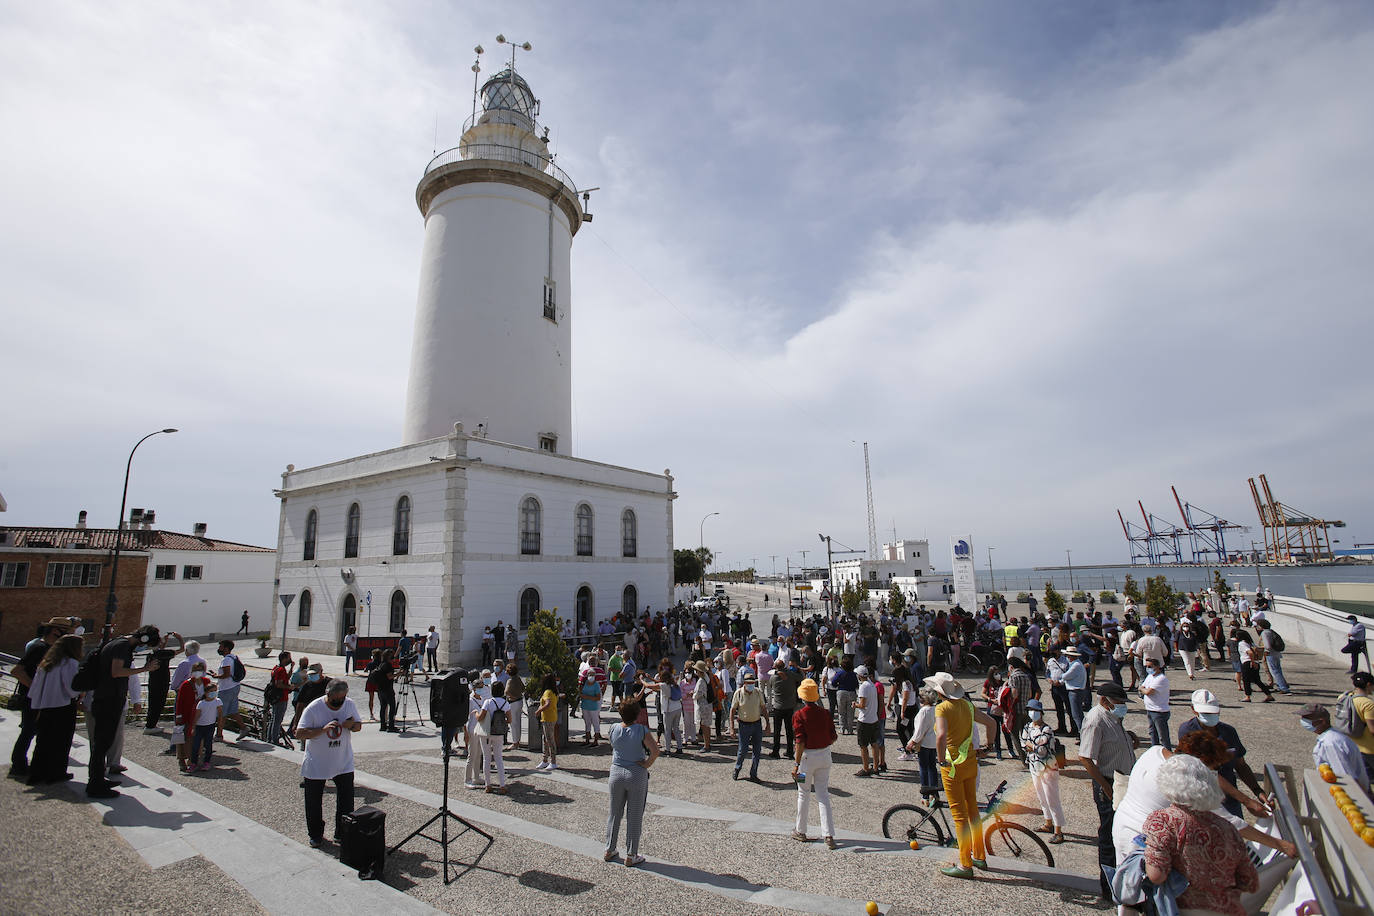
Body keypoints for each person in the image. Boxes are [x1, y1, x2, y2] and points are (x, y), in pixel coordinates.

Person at [1143, 753, 1258, 916]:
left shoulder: (1163, 821)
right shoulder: (1228, 827)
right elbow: (1250, 882)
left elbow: (1156, 875)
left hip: (1184, 908)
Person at [928, 671, 997, 880]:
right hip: (970, 762)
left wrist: (941, 760)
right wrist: (989, 746)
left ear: (939, 693)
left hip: (952, 766)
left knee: (959, 816)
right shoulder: (967, 705)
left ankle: (965, 864)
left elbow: (941, 736)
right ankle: (979, 856)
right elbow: (992, 723)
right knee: (973, 811)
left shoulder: (942, 708)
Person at [1077, 681, 1136, 900]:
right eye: (1118, 702)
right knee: (1109, 834)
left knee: (1122, 831)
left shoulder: (1113, 716)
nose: (1122, 706)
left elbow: (1111, 743)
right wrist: (1104, 786)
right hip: (1110, 782)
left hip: (1122, 779)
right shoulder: (1095, 719)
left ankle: (1123, 879)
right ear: (1104, 701)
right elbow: (1085, 757)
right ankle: (1109, 886)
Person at [87, 625, 162, 798]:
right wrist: (145, 669)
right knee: (101, 745)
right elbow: (116, 672)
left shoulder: (118, 643)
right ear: (143, 639)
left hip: (108, 699)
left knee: (103, 743)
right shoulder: (122, 647)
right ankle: (95, 785)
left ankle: (98, 780)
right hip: (108, 701)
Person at [1178, 689, 1273, 820]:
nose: (1210, 715)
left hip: (1229, 799)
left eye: (1213, 712)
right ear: (1194, 710)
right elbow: (1208, 772)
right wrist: (1246, 801)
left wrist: (1258, 791)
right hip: (1201, 799)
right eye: (1205, 712)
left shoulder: (1229, 732)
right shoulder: (1187, 731)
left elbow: (1241, 765)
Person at [297, 679, 362, 849]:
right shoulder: (314, 708)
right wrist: (323, 730)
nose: (339, 703)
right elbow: (299, 733)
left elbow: (358, 726)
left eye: (342, 699)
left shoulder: (349, 704)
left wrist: (352, 725)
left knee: (346, 800)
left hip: (343, 761)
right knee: (313, 802)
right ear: (328, 694)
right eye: (336, 700)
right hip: (317, 762)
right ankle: (315, 835)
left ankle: (343, 832)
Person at [7, 618, 68, 780]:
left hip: (39, 698)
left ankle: (27, 764)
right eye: (64, 631)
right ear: (55, 631)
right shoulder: (39, 648)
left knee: (34, 732)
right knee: (28, 731)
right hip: (33, 698)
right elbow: (17, 671)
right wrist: (36, 690)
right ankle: (18, 765)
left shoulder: (48, 647)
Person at [604, 698, 660, 867]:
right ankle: (631, 853)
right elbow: (655, 751)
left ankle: (609, 848)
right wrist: (646, 764)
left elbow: (613, 744)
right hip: (635, 772)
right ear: (637, 714)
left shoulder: (613, 728)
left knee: (614, 813)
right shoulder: (641, 730)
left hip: (616, 771)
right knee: (634, 815)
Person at [25, 634, 83, 785]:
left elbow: (36, 686)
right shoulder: (69, 663)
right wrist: (80, 693)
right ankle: (56, 773)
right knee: (61, 742)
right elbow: (71, 687)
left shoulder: (47, 663)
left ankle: (36, 773)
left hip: (44, 706)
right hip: (62, 706)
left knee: (43, 741)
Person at [791, 677, 838, 849]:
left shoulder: (799, 715)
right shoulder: (825, 713)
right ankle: (828, 834)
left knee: (803, 793)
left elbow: (800, 742)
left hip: (806, 760)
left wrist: (796, 764)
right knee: (823, 794)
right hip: (824, 756)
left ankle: (801, 830)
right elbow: (833, 737)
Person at [1020, 699, 1065, 844]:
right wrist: (1033, 746)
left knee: (1052, 799)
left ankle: (1058, 830)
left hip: (1048, 768)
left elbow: (1042, 750)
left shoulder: (1047, 729)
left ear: (1041, 713)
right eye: (1030, 710)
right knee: (1041, 797)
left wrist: (1031, 746)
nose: (1032, 713)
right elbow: (1023, 743)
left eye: (1034, 710)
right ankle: (1048, 823)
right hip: (1034, 766)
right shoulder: (1028, 726)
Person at [1299, 703, 1369, 791]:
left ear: (1322, 721)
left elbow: (1344, 776)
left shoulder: (1331, 743)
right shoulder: (1332, 735)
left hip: (1348, 793)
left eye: (1307, 719)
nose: (1303, 721)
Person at [173, 660, 211, 772]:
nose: (197, 672)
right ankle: (182, 760)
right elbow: (180, 702)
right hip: (187, 714)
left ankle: (194, 759)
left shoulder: (206, 682)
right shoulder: (186, 684)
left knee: (198, 739)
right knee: (183, 738)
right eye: (195, 670)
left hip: (201, 715)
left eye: (199, 670)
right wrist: (178, 716)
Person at [143, 629, 184, 732]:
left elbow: (161, 651)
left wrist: (163, 642)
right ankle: (151, 726)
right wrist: (180, 639)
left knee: (152, 703)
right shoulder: (165, 654)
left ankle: (150, 724)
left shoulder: (151, 655)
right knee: (159, 703)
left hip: (153, 681)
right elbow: (182, 649)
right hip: (162, 682)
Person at [476, 682, 511, 794]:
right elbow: (509, 720)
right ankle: (502, 784)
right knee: (499, 758)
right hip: (499, 733)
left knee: (487, 758)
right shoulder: (505, 703)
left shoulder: (488, 702)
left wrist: (476, 713)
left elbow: (480, 718)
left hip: (487, 732)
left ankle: (488, 785)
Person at [730, 670, 765, 780]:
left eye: (752, 683)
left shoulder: (758, 692)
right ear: (744, 683)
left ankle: (753, 773)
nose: (750, 685)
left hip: (756, 723)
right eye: (748, 683)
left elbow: (763, 708)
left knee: (757, 750)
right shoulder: (738, 693)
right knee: (743, 750)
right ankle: (737, 768)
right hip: (744, 725)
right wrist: (731, 727)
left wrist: (768, 724)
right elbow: (732, 710)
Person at [905, 687, 942, 792]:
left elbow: (920, 730)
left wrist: (912, 742)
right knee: (932, 767)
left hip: (924, 743)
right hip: (933, 742)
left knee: (923, 768)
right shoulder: (936, 709)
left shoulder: (923, 711)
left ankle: (925, 791)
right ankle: (934, 790)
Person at [214, 640, 247, 741]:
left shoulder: (226, 660)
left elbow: (226, 674)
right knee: (233, 711)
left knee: (221, 713)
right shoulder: (234, 657)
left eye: (221, 647)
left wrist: (215, 676)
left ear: (226, 648)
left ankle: (219, 735)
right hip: (235, 686)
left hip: (226, 689)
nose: (219, 649)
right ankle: (244, 728)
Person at [190, 681, 224, 772]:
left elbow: (220, 715)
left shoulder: (218, 701)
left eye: (215, 691)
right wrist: (193, 727)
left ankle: (206, 762)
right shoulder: (201, 703)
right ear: (206, 693)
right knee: (196, 746)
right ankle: (193, 763)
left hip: (210, 726)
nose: (214, 693)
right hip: (200, 726)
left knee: (208, 745)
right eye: (212, 691)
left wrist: (220, 728)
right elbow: (197, 716)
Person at [1139, 655, 1172, 749]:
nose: (1148, 669)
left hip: (1159, 711)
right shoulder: (1150, 677)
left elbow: (1148, 692)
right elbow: (1142, 687)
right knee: (1153, 733)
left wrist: (1143, 690)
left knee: (1163, 737)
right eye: (1146, 666)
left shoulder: (1161, 679)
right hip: (1150, 709)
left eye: (1150, 666)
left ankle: (1168, 753)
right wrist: (1143, 689)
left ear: (1157, 667)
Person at [853, 665, 880, 776]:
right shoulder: (872, 685)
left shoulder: (864, 687)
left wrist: (855, 705)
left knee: (863, 745)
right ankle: (876, 766)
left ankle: (866, 768)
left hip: (864, 720)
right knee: (874, 743)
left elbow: (863, 704)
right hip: (874, 718)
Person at [1348, 672, 1374, 783]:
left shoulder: (1345, 698)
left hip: (1352, 745)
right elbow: (1372, 729)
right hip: (1369, 749)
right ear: (1368, 685)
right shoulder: (1368, 704)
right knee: (1370, 781)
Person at [1236, 630, 1274, 703]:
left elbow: (1250, 652)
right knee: (1257, 680)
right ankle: (1268, 695)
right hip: (1255, 662)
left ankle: (1247, 696)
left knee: (1246, 680)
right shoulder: (1250, 643)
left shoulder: (1242, 643)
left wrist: (1252, 662)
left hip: (1247, 662)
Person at [266, 651, 293, 746]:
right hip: (281, 698)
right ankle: (275, 740)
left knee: (274, 718)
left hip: (276, 697)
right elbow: (279, 684)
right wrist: (289, 687)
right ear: (284, 659)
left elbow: (286, 678)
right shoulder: (281, 670)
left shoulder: (276, 668)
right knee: (277, 719)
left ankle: (269, 738)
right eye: (289, 658)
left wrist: (291, 668)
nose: (290, 659)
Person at [1256, 621, 1290, 694]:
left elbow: (1267, 646)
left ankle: (1283, 688)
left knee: (1274, 671)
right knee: (1278, 670)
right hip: (1276, 653)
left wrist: (1260, 647)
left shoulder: (1264, 633)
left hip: (1270, 653)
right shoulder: (1271, 631)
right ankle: (1281, 686)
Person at [535, 674, 560, 771]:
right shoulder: (554, 691)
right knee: (545, 739)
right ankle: (545, 760)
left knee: (549, 739)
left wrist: (539, 710)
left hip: (548, 718)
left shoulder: (547, 692)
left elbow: (547, 703)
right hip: (550, 717)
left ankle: (553, 761)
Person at [370, 649, 398, 732]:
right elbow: (389, 676)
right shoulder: (388, 665)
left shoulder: (381, 664)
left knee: (383, 707)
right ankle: (391, 726)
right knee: (392, 707)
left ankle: (383, 725)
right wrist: (399, 674)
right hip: (388, 689)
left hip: (380, 689)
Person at [503, 663, 525, 751]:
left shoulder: (510, 680)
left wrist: (512, 696)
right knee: (518, 722)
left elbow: (506, 691)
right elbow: (523, 688)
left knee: (513, 723)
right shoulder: (518, 678)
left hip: (513, 703)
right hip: (520, 701)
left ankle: (515, 742)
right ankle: (517, 740)